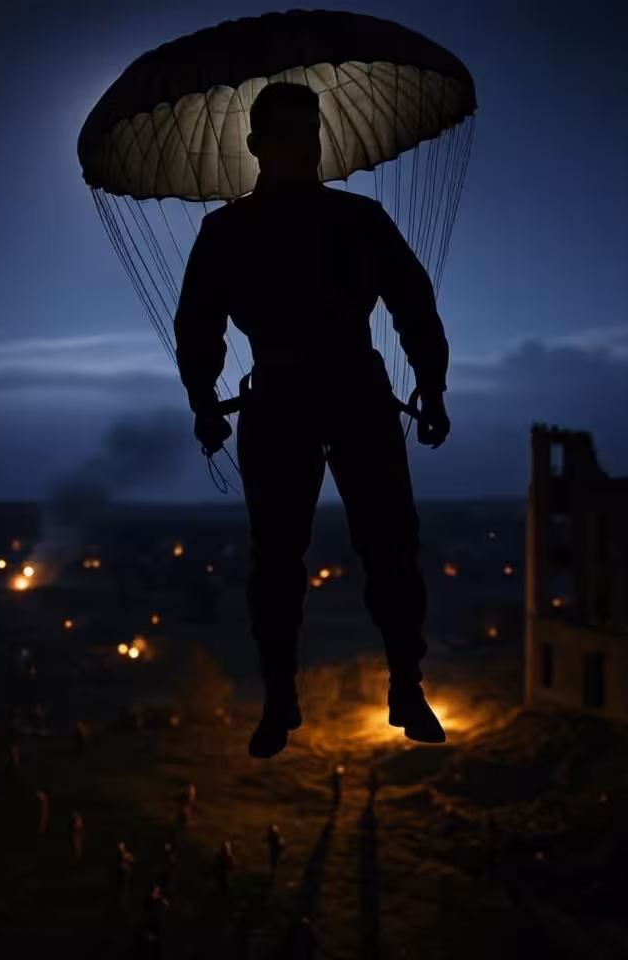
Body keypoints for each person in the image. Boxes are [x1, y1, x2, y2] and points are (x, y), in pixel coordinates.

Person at [175, 82, 449, 759]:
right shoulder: (234, 229)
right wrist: (203, 400)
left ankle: (404, 683)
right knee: (276, 560)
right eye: (290, 132)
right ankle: (281, 692)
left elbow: (415, 306)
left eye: (310, 130)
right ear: (256, 146)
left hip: (343, 391)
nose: (305, 144)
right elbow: (198, 328)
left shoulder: (354, 219)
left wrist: (434, 385)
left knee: (391, 545)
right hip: (292, 396)